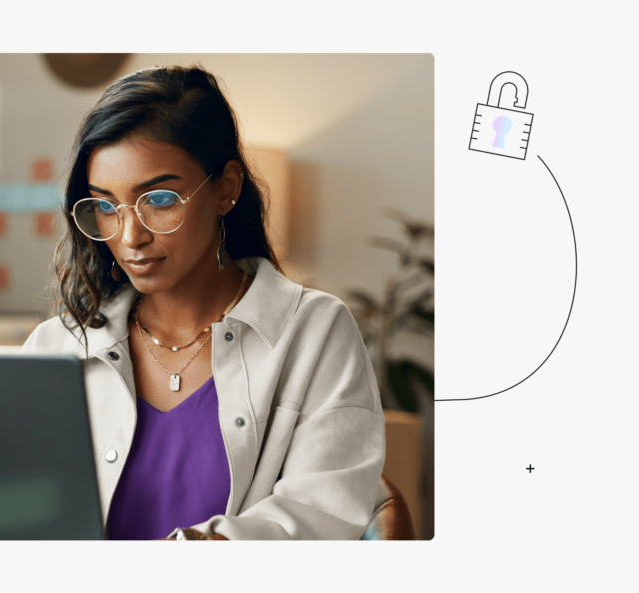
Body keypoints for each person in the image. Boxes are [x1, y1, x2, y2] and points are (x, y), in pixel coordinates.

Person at [20, 65, 385, 540]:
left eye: (160, 199)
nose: (130, 237)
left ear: (226, 190)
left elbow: (321, 516)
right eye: (106, 207)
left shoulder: (314, 331)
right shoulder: (57, 346)